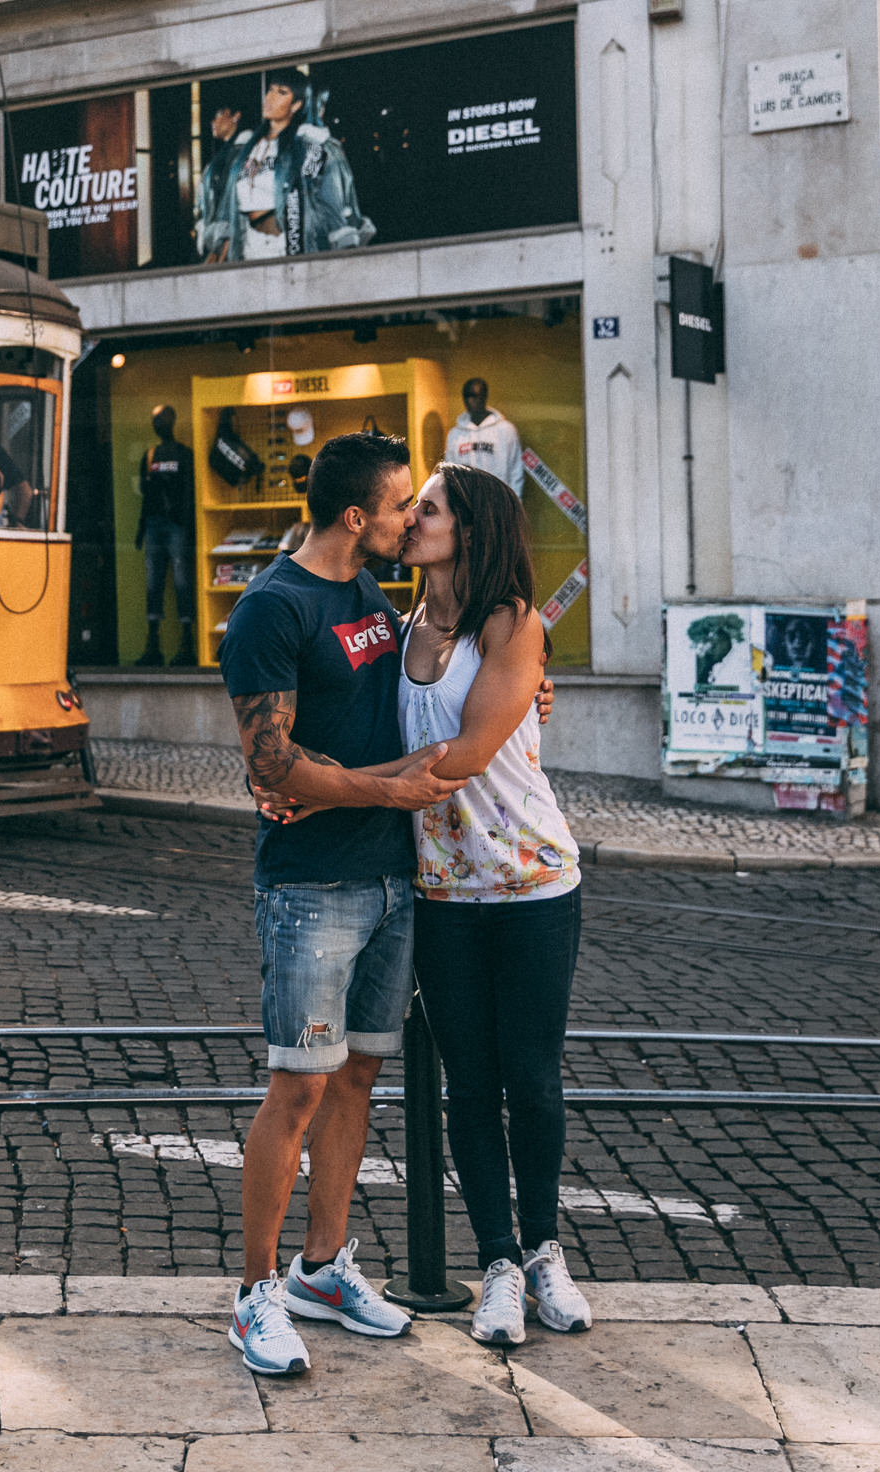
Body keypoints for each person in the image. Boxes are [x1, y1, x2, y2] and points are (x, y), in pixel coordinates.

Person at [220, 431, 476, 1377]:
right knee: (297, 1085)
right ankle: (252, 1297)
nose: (414, 516)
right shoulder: (270, 611)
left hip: (389, 879)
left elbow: (414, 687)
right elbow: (271, 764)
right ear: (357, 516)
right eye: (403, 503)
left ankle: (320, 1269)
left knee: (358, 1079)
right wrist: (385, 788)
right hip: (312, 883)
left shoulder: (367, 590)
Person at [398, 461, 589, 1348]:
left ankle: (547, 1250)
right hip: (441, 894)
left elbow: (470, 752)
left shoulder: (511, 623)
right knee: (467, 1085)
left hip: (530, 887)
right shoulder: (400, 628)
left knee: (532, 1079)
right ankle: (499, 1265)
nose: (411, 519)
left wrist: (333, 787)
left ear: (468, 529)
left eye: (426, 509)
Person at [215, 70, 375, 262]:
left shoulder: (313, 147)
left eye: (281, 92)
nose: (271, 97)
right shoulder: (248, 149)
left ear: (296, 105)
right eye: (271, 90)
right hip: (249, 248)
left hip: (288, 248)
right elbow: (231, 205)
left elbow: (325, 200)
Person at [135, 404, 196, 668]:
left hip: (177, 527)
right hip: (154, 525)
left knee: (182, 582)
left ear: (171, 421)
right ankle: (153, 644)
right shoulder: (150, 456)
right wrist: (141, 530)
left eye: (160, 419)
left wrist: (188, 528)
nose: (157, 424)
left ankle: (187, 643)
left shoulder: (184, 454)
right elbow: (146, 496)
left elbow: (188, 494)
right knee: (153, 584)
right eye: (154, 420)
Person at [444, 379, 524, 497]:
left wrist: (514, 506)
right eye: (467, 396)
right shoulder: (455, 435)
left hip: (499, 502)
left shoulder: (506, 430)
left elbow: (516, 472)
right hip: (468, 505)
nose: (470, 400)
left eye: (475, 396)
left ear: (484, 397)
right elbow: (450, 474)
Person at [196, 103, 252, 261]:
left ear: (236, 116)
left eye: (220, 113)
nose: (214, 121)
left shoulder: (244, 152)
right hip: (215, 243)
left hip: (232, 247)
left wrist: (223, 251)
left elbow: (237, 203)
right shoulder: (222, 155)